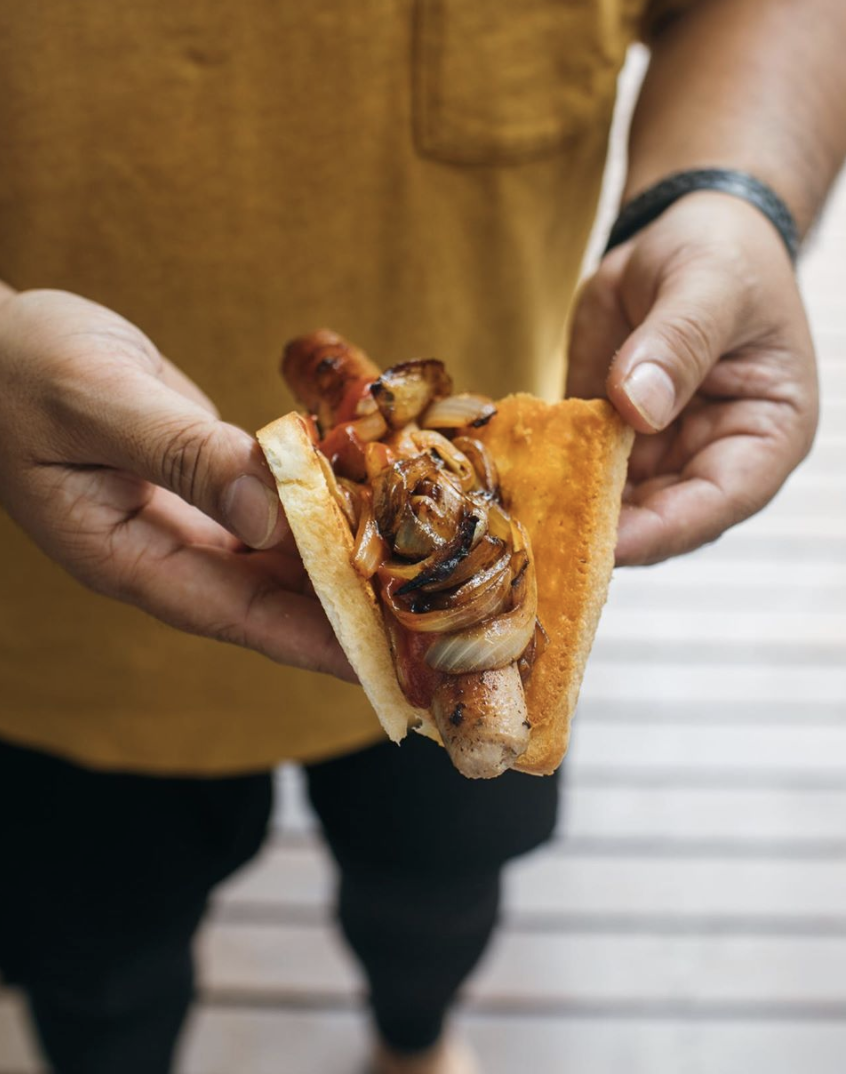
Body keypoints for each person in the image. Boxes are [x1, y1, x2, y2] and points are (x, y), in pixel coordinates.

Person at [0, 1, 844, 1071]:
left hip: (496, 538)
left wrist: (728, 195)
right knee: (97, 969)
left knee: (439, 899)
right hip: (47, 610)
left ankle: (415, 1044)